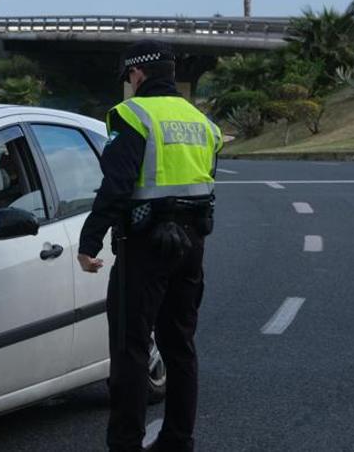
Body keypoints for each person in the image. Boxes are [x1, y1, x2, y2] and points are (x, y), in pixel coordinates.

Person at [76, 40, 221, 452]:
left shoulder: (132, 115)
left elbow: (117, 186)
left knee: (131, 348)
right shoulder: (201, 122)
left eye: (129, 77)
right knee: (180, 346)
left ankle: (126, 444)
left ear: (136, 75)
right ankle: (178, 441)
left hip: (144, 245)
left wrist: (90, 241)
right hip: (192, 244)